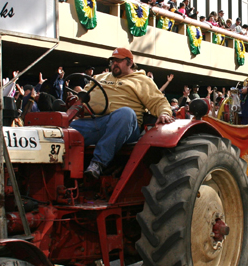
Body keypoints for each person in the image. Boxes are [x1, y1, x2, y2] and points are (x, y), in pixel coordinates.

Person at [72, 48, 174, 177]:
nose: (114, 64)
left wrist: (164, 113)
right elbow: (81, 98)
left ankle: (98, 163)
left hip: (125, 126)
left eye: (118, 61)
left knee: (125, 113)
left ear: (130, 63)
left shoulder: (142, 81)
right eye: (112, 61)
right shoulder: (99, 78)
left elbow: (158, 101)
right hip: (95, 122)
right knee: (63, 130)